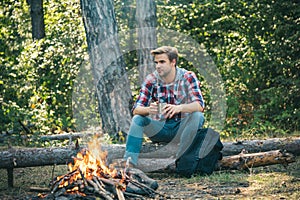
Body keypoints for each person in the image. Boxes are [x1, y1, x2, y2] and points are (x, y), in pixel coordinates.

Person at [123, 46, 205, 167]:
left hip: (182, 129)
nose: (158, 66)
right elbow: (136, 110)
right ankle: (129, 164)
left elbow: (200, 105)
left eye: (162, 62)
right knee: (138, 119)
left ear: (173, 62)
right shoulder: (151, 79)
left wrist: (179, 108)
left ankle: (183, 161)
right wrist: (149, 109)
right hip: (161, 128)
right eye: (156, 62)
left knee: (198, 116)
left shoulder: (188, 77)